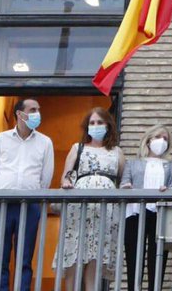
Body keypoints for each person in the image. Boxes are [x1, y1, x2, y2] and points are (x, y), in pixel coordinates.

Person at [0, 98, 53, 291]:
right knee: (0, 258)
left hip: (29, 206)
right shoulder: (0, 139)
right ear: (19, 114)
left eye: (38, 109)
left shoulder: (45, 142)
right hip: (1, 205)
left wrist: (34, 197)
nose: (37, 113)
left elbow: (45, 177)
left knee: (24, 259)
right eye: (32, 109)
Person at [57, 107, 126, 290]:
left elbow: (123, 179)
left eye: (99, 122)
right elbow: (66, 175)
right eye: (92, 123)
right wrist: (66, 183)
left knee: (96, 254)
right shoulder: (77, 148)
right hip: (80, 205)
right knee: (74, 251)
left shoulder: (117, 151)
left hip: (106, 209)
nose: (95, 126)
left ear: (108, 125)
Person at [121, 125, 172, 291]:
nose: (162, 141)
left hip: (160, 215)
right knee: (133, 257)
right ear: (148, 141)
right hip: (135, 213)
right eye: (158, 137)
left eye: (166, 138)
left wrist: (168, 191)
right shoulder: (133, 164)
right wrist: (127, 188)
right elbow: (124, 183)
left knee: (158, 259)